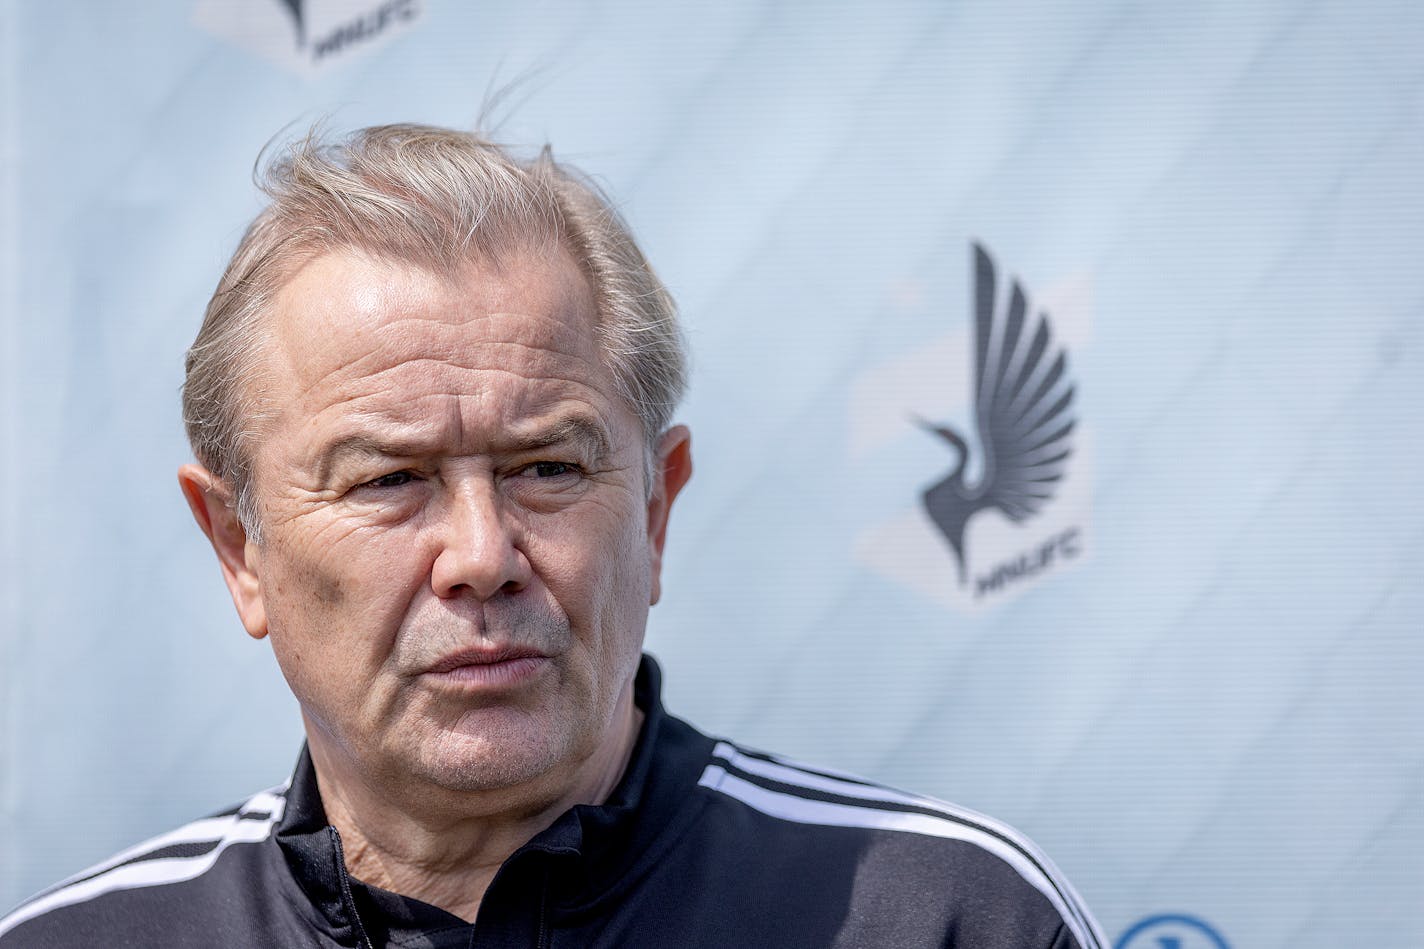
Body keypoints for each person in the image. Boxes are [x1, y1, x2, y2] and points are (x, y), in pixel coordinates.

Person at [0, 123, 1106, 948]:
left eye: (546, 468)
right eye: (389, 478)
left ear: (655, 509)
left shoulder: (946, 920)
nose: (481, 555)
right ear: (239, 548)